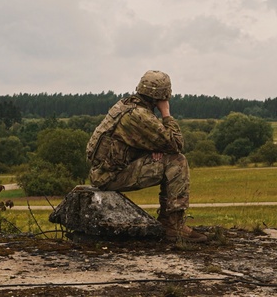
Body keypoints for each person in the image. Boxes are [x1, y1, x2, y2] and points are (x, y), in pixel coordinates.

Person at [86, 70, 206, 242]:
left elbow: (131, 140)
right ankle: (172, 224)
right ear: (162, 96)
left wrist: (154, 148)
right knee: (177, 162)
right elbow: (177, 144)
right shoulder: (139, 116)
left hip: (105, 170)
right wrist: (166, 113)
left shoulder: (126, 106)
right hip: (110, 176)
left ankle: (169, 221)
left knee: (170, 157)